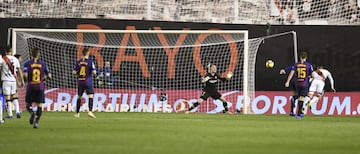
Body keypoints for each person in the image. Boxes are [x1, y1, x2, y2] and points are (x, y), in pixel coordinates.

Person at [23, 48, 52, 128]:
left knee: (28, 103)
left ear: (32, 54)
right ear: (38, 55)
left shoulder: (27, 63)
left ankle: (32, 112)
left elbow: (25, 75)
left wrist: (26, 80)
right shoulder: (43, 64)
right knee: (40, 105)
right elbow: (49, 76)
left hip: (31, 86)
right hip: (40, 86)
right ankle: (36, 123)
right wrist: (44, 79)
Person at [285, 52, 313, 119]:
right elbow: (311, 74)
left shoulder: (296, 65)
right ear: (306, 58)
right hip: (304, 83)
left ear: (300, 57)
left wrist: (287, 81)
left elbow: (291, 73)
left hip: (297, 83)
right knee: (302, 98)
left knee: (298, 96)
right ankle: (299, 114)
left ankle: (293, 103)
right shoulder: (309, 65)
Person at [0, 46, 24, 119]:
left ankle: (10, 114)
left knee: (7, 97)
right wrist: (22, 80)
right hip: (13, 81)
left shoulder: (2, 59)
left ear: (5, 51)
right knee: (14, 96)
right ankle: (17, 112)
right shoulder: (15, 59)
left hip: (6, 80)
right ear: (11, 51)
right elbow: (19, 70)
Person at [73, 48, 96, 118]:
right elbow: (94, 72)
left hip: (80, 81)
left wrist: (78, 72)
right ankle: (90, 111)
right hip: (87, 81)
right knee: (91, 96)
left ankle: (77, 113)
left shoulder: (78, 62)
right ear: (88, 53)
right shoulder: (90, 62)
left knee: (79, 97)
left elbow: (74, 72)